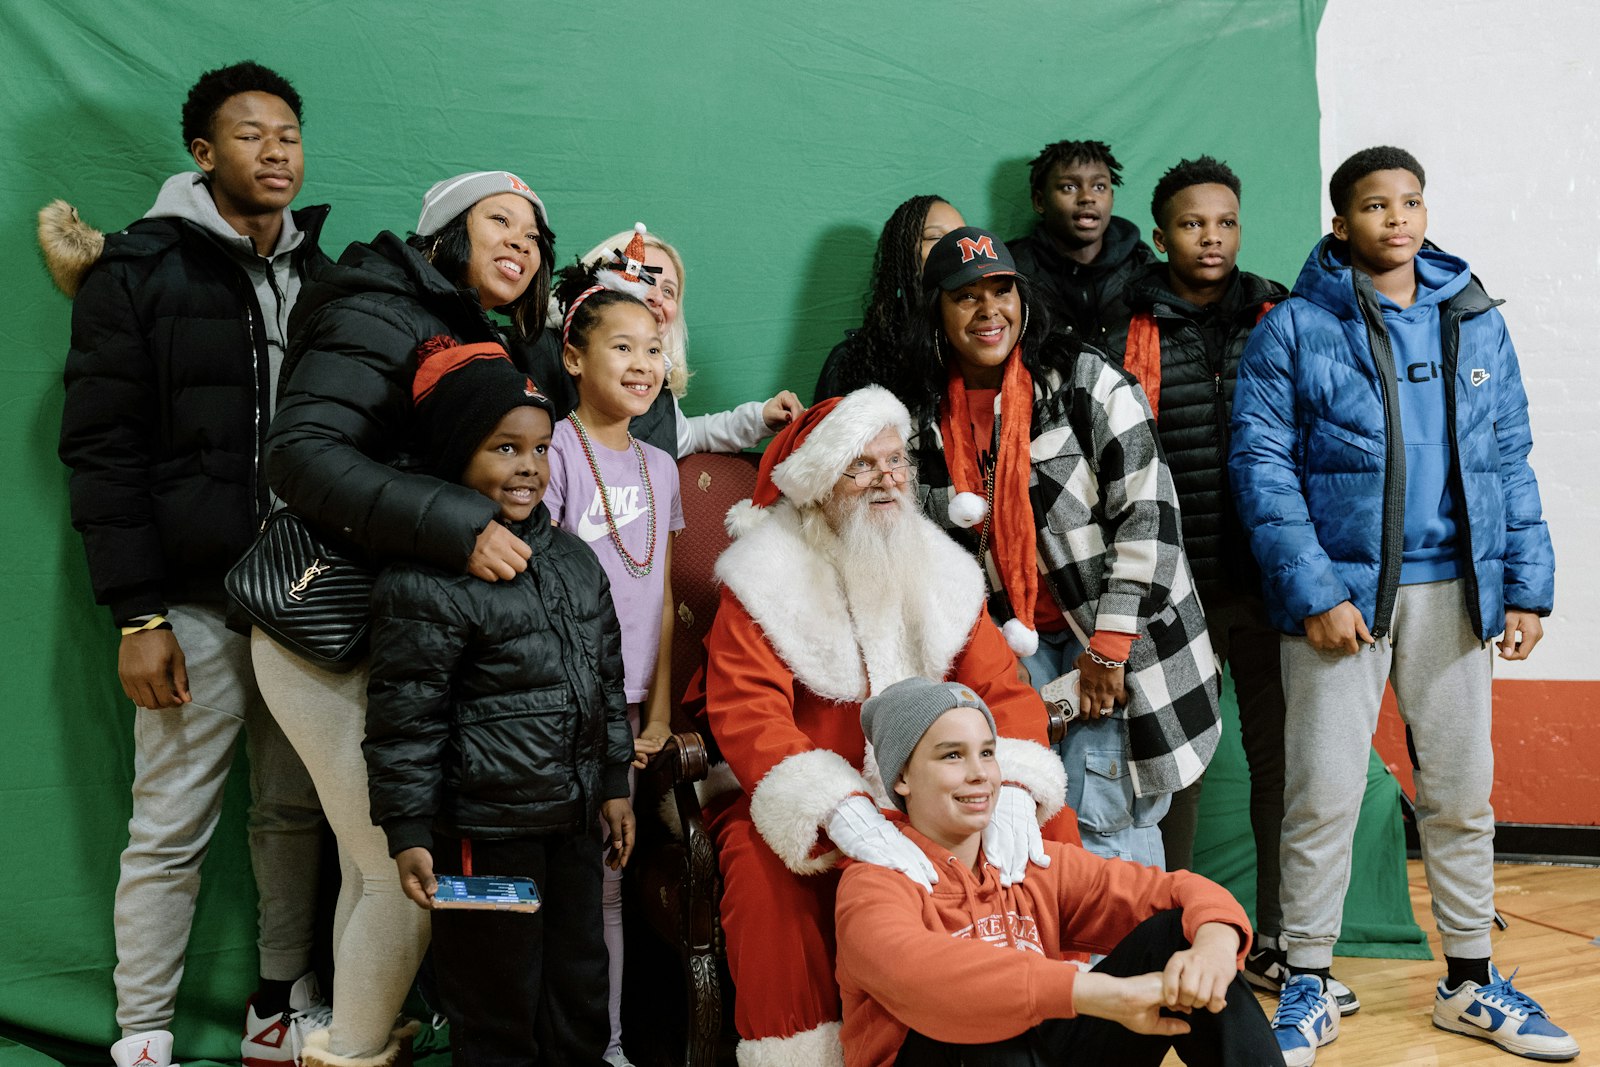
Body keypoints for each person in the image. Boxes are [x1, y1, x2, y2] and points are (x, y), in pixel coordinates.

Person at [1230, 146, 1574, 1065]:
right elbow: (1261, 470)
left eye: (1411, 201)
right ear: (1340, 223)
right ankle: (1307, 977)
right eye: (1375, 205)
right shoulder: (1295, 328)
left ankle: (1470, 979)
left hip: (1458, 594)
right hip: (1343, 603)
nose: (1398, 218)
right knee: (1324, 795)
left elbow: (1510, 455)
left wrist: (1526, 584)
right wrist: (1317, 590)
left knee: (1462, 796)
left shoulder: (1473, 319)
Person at [48, 60, 328, 1067]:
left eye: (289, 133)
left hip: (303, 602)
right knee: (169, 824)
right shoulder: (135, 273)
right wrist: (137, 613)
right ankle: (142, 1035)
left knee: (294, 814)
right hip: (190, 604)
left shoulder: (323, 276)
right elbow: (100, 450)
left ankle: (273, 1008)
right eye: (251, 134)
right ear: (203, 154)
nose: (276, 151)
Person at [258, 168, 557, 1067]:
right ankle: (348, 1050)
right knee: (402, 867)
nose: (520, 242)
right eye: (497, 221)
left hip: (383, 626)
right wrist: (464, 525)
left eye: (535, 235)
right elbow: (301, 454)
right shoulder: (381, 308)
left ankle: (353, 1029)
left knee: (367, 865)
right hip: (326, 625)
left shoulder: (462, 326)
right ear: (445, 235)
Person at [685, 386, 1072, 1065]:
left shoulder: (937, 565)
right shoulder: (762, 577)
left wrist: (1009, 784)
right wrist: (837, 807)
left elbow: (1003, 691)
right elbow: (749, 715)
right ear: (818, 483)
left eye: (894, 461)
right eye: (861, 466)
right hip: (807, 786)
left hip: (933, 784)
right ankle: (804, 1053)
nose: (886, 479)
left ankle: (1056, 1021)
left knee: (1043, 829)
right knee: (760, 861)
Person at [888, 226, 1218, 867]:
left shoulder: (1086, 384)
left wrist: (1109, 651)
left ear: (1024, 299)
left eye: (1002, 291)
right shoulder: (919, 414)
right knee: (1021, 817)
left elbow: (1149, 518)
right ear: (936, 312)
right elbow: (917, 536)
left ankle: (1124, 968)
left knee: (1106, 819)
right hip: (1006, 647)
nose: (990, 311)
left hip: (1117, 637)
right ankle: (1058, 970)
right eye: (966, 297)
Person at [363, 342, 634, 1065]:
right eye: (505, 447)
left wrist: (613, 783)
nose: (529, 466)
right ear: (457, 452)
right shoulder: (429, 575)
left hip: (572, 826)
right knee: (494, 995)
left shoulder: (574, 560)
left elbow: (606, 679)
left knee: (578, 984)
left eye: (541, 448)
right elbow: (404, 714)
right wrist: (409, 824)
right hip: (485, 835)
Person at [836, 676, 1282, 1066]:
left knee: (1179, 935)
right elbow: (920, 977)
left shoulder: (1026, 863)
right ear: (902, 778)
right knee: (982, 1019)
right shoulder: (873, 881)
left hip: (1034, 1054)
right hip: (946, 1055)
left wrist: (1216, 946)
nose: (980, 774)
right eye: (952, 756)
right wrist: (1092, 992)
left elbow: (1174, 890)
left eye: (987, 753)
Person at [1117, 155, 1318, 1000]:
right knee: (1179, 769)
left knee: (1283, 765)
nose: (1212, 237)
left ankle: (1279, 935)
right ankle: (1178, 930)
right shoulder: (1128, 323)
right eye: (1194, 224)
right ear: (1161, 236)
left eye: (1226, 221)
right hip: (1177, 588)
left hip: (1270, 585)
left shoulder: (1283, 313)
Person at [542, 249, 685, 1067]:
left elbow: (663, 596)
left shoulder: (662, 466)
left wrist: (659, 712)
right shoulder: (554, 451)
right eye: (621, 345)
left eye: (653, 348)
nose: (642, 363)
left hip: (632, 710)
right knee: (558, 879)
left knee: (610, 883)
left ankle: (613, 1046)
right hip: (566, 705)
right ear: (574, 356)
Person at [523, 224, 802, 457]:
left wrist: (759, 418)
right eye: (644, 279)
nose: (657, 297)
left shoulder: (657, 396)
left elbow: (686, 435)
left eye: (669, 291)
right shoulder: (539, 355)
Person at [1008, 139, 1157, 359]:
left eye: (1099, 187)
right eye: (1069, 187)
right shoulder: (1013, 270)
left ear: (1112, 198)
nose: (1087, 197)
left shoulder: (1144, 270)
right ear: (1039, 201)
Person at [812, 194, 965, 402]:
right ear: (904, 255)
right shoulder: (853, 361)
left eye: (961, 237)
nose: (954, 247)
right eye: (935, 238)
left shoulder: (986, 339)